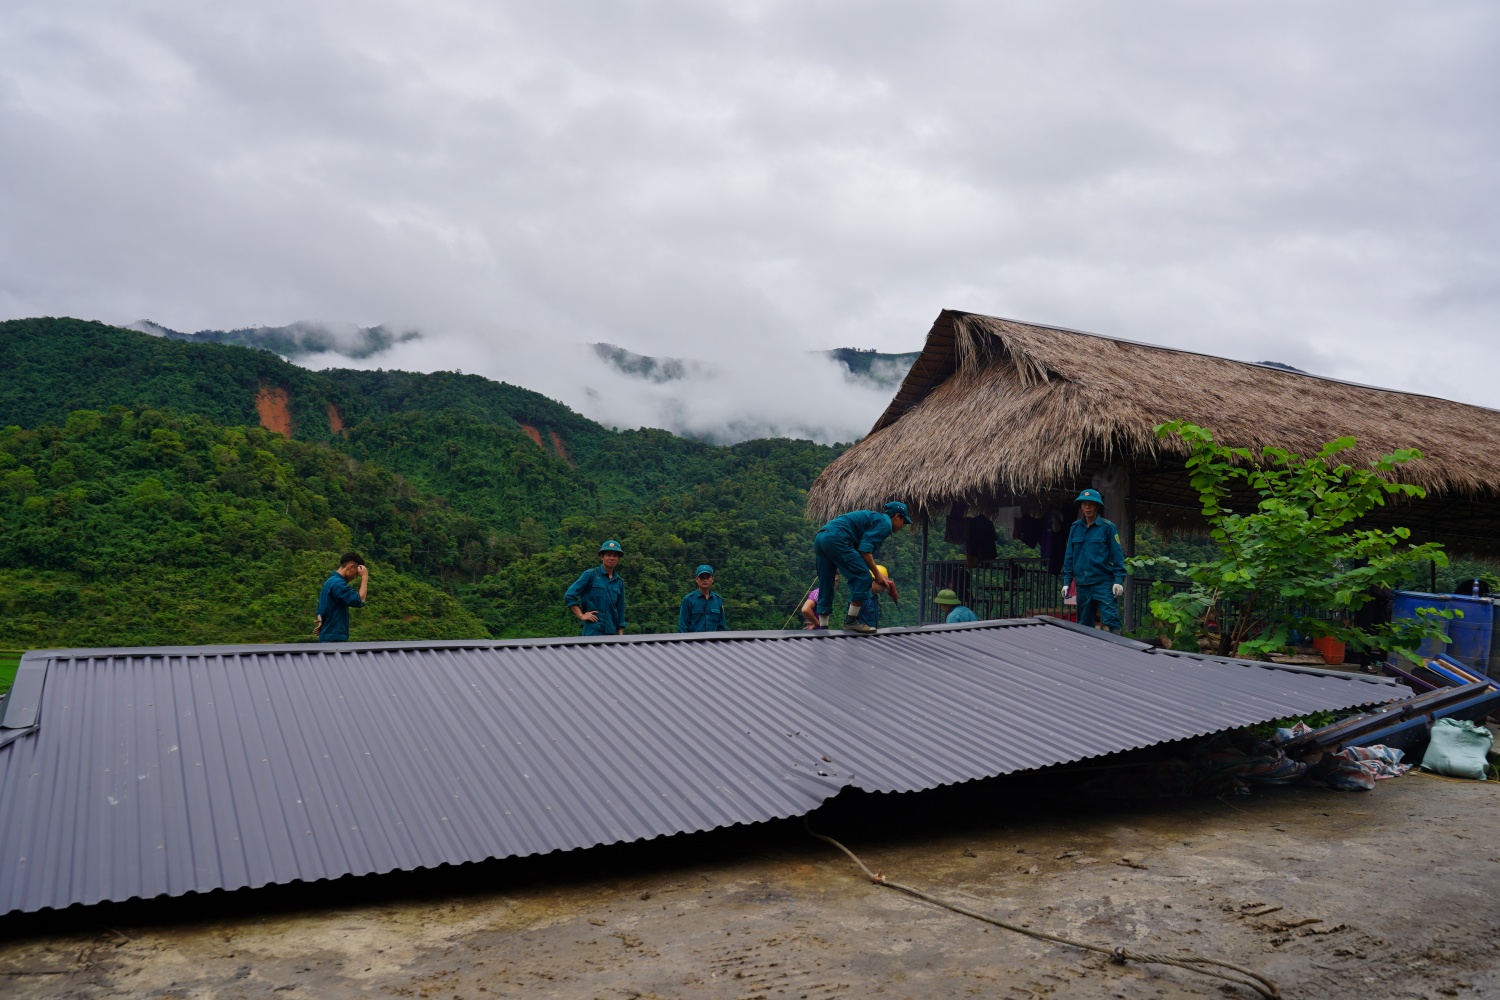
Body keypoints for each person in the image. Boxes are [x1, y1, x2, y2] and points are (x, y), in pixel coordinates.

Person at [813, 503, 907, 634]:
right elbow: (865, 550)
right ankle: (851, 621)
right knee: (863, 577)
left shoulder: (874, 518)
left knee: (826, 580)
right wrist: (877, 574)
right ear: (897, 516)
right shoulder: (885, 524)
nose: (903, 525)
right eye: (904, 521)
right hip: (837, 538)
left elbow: (859, 554)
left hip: (821, 536)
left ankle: (823, 627)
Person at [1061, 488, 1127, 632]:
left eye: (1091, 504)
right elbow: (1069, 556)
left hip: (1103, 582)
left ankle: (1118, 650)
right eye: (1084, 504)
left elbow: (1117, 555)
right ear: (1081, 506)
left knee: (1111, 619)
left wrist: (1118, 580)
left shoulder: (1108, 528)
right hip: (1082, 583)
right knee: (1084, 624)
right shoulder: (1075, 528)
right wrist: (1067, 582)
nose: (1087, 507)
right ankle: (1084, 652)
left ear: (1097, 506)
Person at [566, 539, 627, 636]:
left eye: (615, 555)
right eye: (608, 555)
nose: (612, 558)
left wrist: (620, 636)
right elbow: (570, 595)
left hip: (612, 633)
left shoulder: (619, 582)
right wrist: (581, 615)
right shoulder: (590, 575)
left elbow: (620, 611)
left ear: (618, 558)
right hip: (592, 632)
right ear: (601, 556)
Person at [314, 552, 368, 643]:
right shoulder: (337, 584)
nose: (354, 577)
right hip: (335, 639)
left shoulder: (329, 582)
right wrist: (364, 577)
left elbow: (320, 607)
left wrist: (320, 617)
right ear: (350, 567)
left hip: (326, 636)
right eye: (355, 574)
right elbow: (359, 600)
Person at [678, 564, 727, 633]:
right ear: (697, 579)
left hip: (713, 642)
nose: (705, 580)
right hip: (694, 642)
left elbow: (721, 627)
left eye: (707, 577)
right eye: (702, 578)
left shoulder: (718, 600)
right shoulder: (688, 599)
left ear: (712, 579)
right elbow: (683, 627)